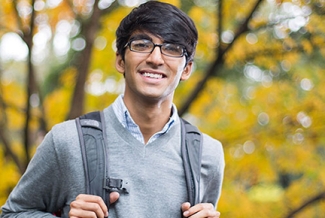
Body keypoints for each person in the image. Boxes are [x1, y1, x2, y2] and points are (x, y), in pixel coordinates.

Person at [1, 1, 225, 217]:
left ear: (186, 69)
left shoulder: (208, 155)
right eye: (142, 45)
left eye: (172, 48)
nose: (156, 58)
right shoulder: (67, 141)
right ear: (120, 60)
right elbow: (13, 213)